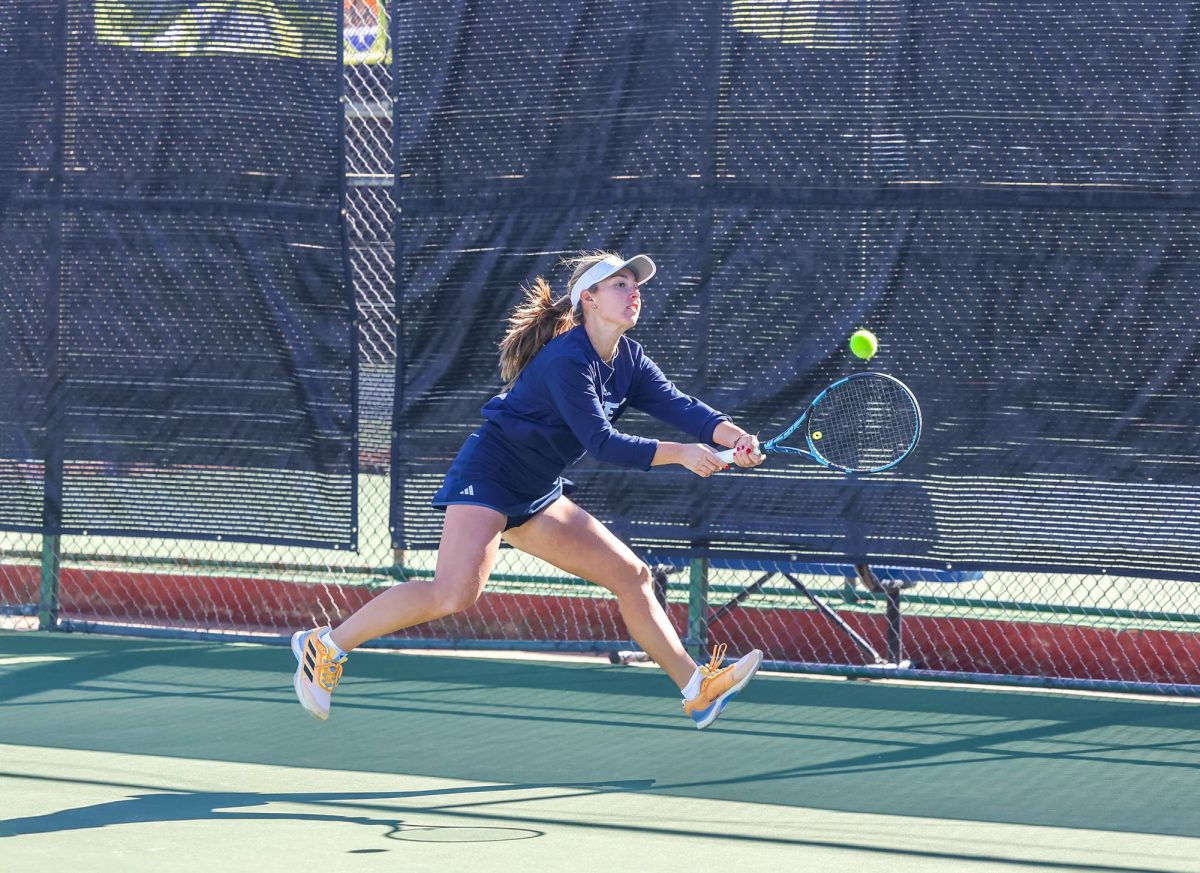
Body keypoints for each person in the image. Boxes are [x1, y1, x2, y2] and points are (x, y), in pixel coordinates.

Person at [292, 250, 766, 729]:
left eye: (635, 283)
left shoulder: (630, 359)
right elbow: (601, 441)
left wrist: (734, 437)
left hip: (538, 492)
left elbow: (682, 407)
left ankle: (696, 690)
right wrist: (682, 453)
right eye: (620, 284)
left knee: (633, 576)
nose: (633, 292)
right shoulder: (567, 359)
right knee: (453, 594)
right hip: (492, 474)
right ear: (589, 300)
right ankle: (326, 646)